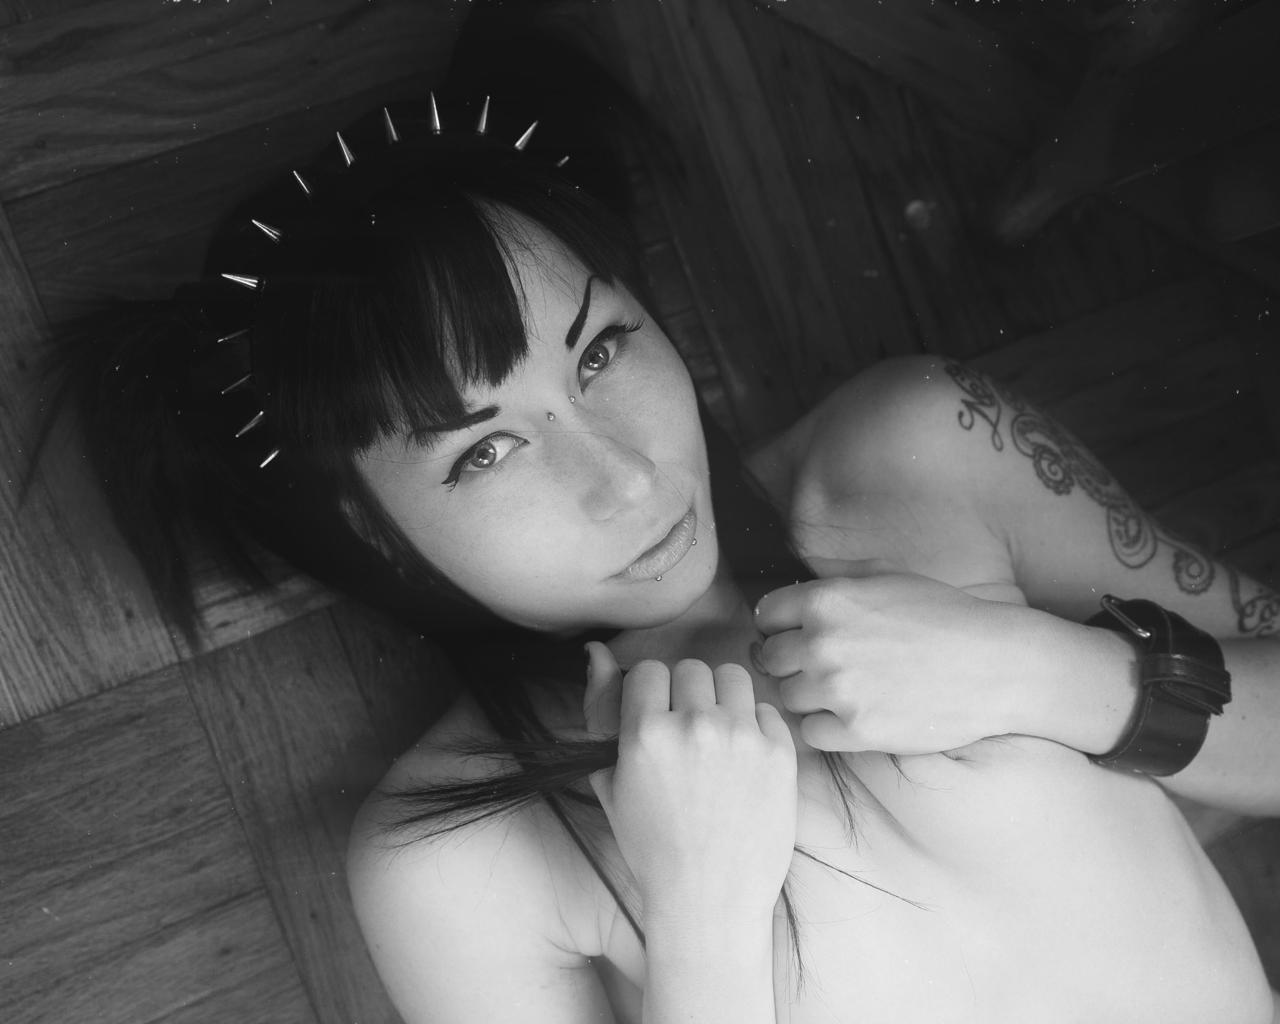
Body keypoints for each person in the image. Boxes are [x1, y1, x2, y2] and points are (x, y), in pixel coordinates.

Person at [51, 64, 1279, 1024]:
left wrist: (1048, 674)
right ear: (375, 529)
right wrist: (700, 915)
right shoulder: (451, 857)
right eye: (483, 451)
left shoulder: (908, 449)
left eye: (598, 352)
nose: (626, 477)